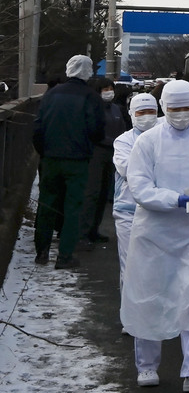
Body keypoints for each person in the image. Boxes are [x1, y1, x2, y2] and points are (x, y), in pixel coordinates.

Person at [121, 79, 189, 390]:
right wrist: (172, 200)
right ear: (164, 107)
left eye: (188, 108)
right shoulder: (148, 142)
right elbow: (139, 186)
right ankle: (146, 365)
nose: (182, 114)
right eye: (175, 109)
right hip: (154, 231)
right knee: (149, 295)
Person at [32, 54, 105, 268]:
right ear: (88, 71)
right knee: (73, 207)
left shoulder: (51, 95)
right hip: (78, 160)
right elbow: (96, 130)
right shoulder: (91, 97)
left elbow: (37, 127)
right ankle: (64, 256)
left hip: (51, 159)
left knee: (47, 204)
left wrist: (44, 152)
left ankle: (41, 251)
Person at [113, 93, 159, 283]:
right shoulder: (123, 141)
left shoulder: (167, 136)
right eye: (141, 112)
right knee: (131, 266)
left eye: (151, 111)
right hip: (128, 211)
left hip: (159, 211)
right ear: (132, 114)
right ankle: (129, 312)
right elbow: (128, 170)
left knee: (156, 267)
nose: (146, 116)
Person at [79, 76, 125, 249]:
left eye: (110, 88)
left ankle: (94, 230)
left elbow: (122, 129)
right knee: (91, 193)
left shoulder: (115, 109)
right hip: (95, 152)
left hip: (111, 153)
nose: (109, 92)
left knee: (103, 193)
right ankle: (82, 233)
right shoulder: (90, 108)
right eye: (105, 89)